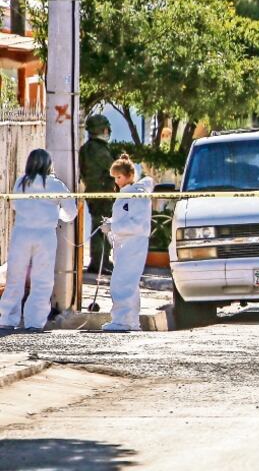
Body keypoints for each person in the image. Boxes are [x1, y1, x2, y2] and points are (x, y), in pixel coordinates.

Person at [0, 149, 78, 331]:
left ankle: (7, 318)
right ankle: (34, 321)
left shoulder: (21, 182)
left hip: (22, 233)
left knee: (15, 277)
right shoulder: (55, 184)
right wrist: (56, 215)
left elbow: (15, 205)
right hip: (44, 235)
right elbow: (70, 212)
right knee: (42, 279)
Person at [101, 154, 155, 332]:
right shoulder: (126, 194)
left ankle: (123, 321)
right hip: (125, 245)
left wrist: (113, 226)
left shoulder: (137, 194)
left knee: (122, 283)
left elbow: (137, 224)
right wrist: (111, 225)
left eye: (119, 177)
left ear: (130, 175)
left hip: (133, 244)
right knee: (127, 283)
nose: (117, 181)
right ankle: (130, 321)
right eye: (115, 178)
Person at [79, 114, 116, 274]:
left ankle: (99, 261)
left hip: (93, 193)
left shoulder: (85, 149)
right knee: (104, 228)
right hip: (104, 195)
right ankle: (101, 262)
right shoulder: (100, 150)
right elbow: (112, 169)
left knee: (98, 227)